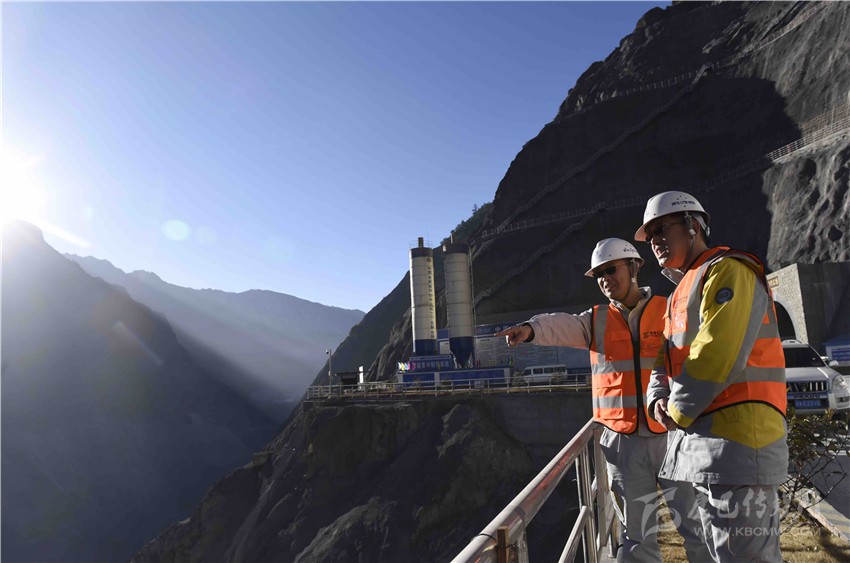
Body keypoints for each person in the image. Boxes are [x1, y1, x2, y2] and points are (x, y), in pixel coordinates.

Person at [496, 238, 709, 563]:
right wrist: (531, 328)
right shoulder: (595, 320)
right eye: (599, 275)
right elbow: (562, 324)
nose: (605, 279)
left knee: (696, 526)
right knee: (637, 536)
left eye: (611, 270)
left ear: (634, 267)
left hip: (674, 436)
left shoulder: (668, 309)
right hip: (623, 445)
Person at [636, 191, 788, 562]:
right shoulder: (680, 292)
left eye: (662, 229)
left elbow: (716, 353)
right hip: (708, 449)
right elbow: (664, 357)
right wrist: (656, 397)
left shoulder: (727, 270)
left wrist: (675, 410)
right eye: (650, 234)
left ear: (693, 225)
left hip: (739, 443)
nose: (654, 240)